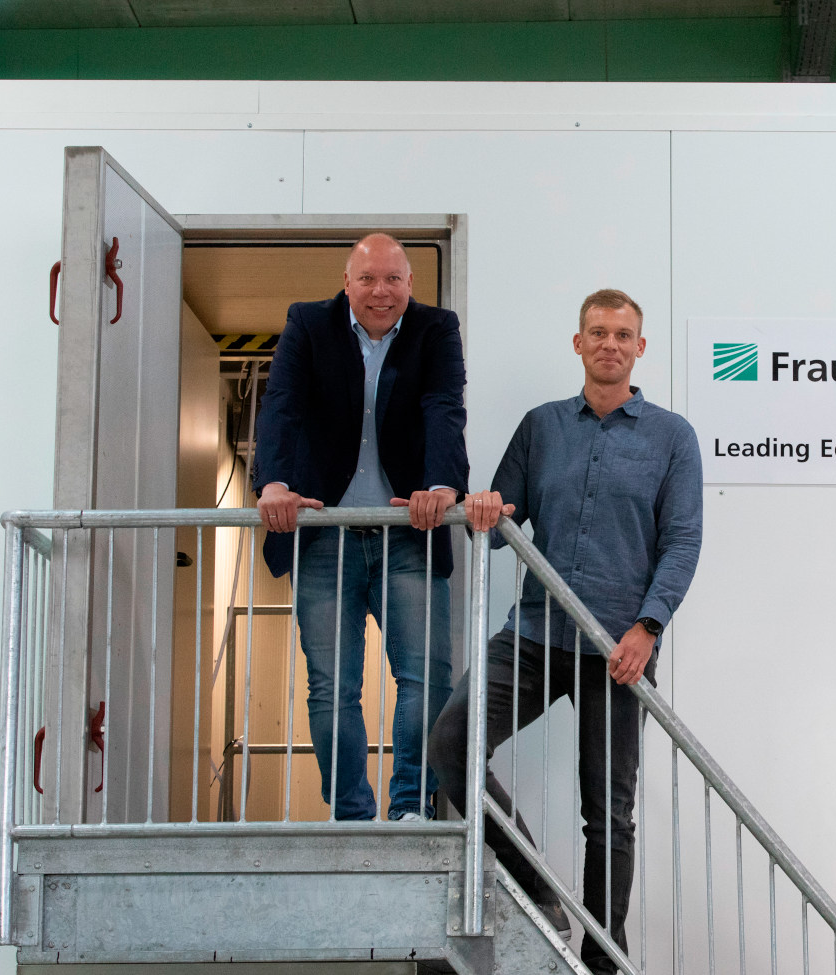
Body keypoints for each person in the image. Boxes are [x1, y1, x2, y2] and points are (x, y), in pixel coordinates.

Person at [429, 289, 703, 973]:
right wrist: (484, 507)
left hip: (619, 651)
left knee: (608, 815)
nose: (610, 343)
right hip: (534, 633)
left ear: (640, 348)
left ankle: (603, 957)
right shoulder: (541, 426)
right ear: (577, 344)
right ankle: (539, 889)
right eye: (598, 332)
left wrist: (648, 627)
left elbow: (683, 540)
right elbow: (497, 527)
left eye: (623, 334)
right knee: (451, 744)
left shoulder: (673, 437)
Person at [253, 233, 468, 822]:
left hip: (408, 532)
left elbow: (444, 406)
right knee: (332, 686)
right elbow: (282, 405)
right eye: (368, 279)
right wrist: (271, 483)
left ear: (410, 284)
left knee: (426, 681)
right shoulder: (308, 324)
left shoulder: (435, 329)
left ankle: (409, 809)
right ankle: (350, 812)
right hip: (326, 535)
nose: (381, 291)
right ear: (346, 282)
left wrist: (445, 487)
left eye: (393, 279)